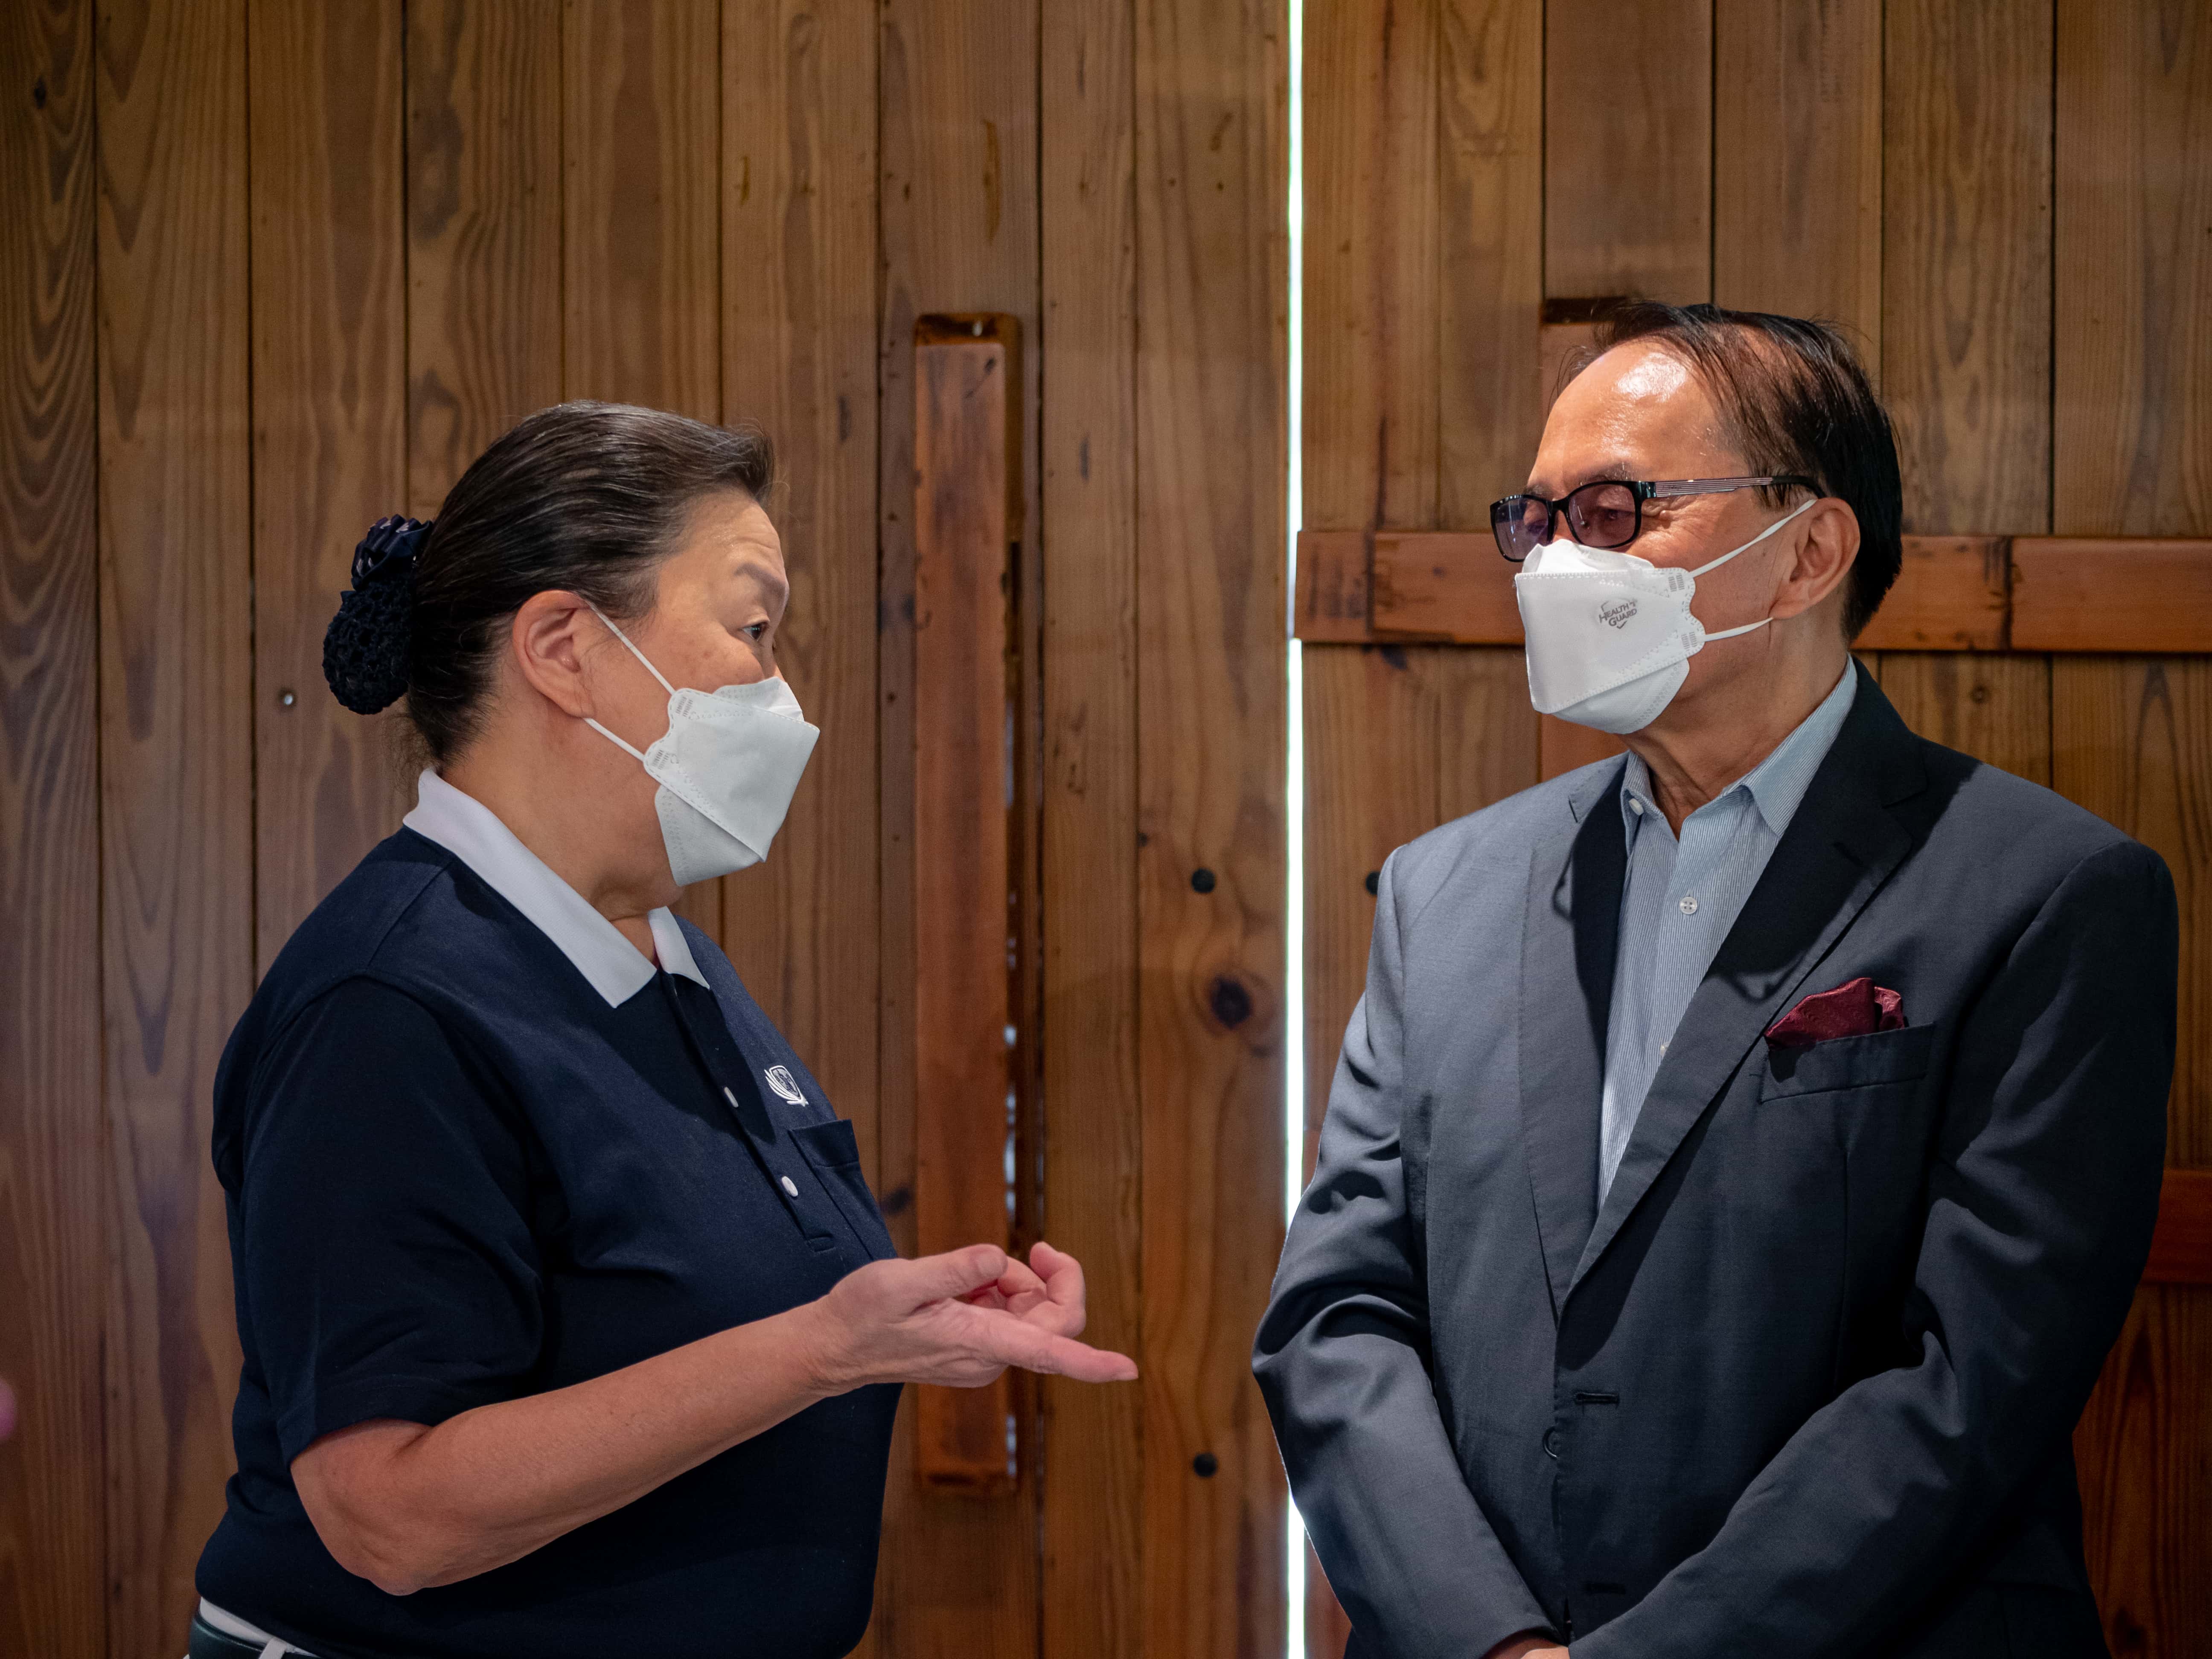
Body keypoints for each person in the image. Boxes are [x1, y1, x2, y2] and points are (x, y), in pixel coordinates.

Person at [1255, 304, 2174, 1656]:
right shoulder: (1442, 892)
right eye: (1538, 518)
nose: (1560, 559)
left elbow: (1973, 1378)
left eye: (1618, 511)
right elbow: (1337, 1314)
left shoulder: (2043, 893)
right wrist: (1493, 1645)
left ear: (1808, 552)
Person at [190, 403, 1135, 1659]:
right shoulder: (389, 1006)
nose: (783, 695)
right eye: (752, 630)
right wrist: (823, 1350)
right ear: (565, 649)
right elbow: (389, 1515)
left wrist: (899, 1326)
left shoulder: (663, 954)